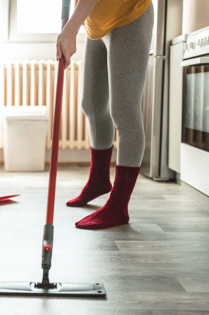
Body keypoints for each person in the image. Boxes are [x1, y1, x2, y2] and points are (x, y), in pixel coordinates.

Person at [56, 0, 154, 229]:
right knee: (91, 104)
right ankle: (99, 180)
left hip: (129, 15)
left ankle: (119, 206)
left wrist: (70, 29)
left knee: (124, 112)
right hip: (97, 23)